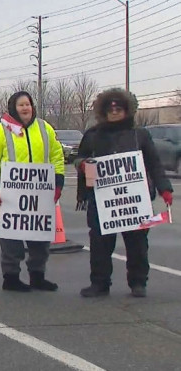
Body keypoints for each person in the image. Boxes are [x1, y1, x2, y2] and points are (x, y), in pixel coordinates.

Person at [76, 88, 173, 298]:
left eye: (119, 109)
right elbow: (79, 157)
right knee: (100, 244)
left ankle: (138, 282)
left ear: (127, 110)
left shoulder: (140, 135)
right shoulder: (93, 135)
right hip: (101, 200)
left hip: (135, 200)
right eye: (110, 109)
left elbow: (154, 164)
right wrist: (83, 165)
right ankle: (99, 283)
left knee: (138, 244)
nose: (114, 112)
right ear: (103, 111)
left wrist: (165, 188)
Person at [0, 91, 65, 292]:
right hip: (11, 197)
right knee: (11, 241)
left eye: (28, 104)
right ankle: (11, 278)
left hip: (41, 196)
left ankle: (38, 276)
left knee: (40, 240)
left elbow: (56, 156)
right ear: (13, 108)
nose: (25, 108)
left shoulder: (45, 129)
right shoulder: (0, 131)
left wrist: (58, 185)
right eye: (21, 105)